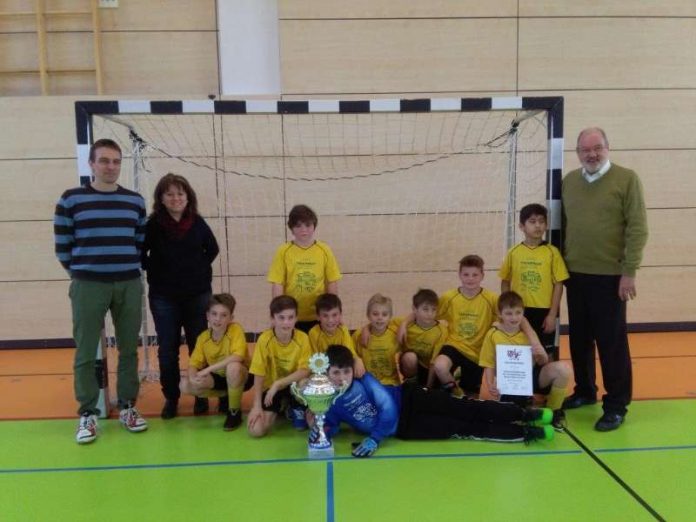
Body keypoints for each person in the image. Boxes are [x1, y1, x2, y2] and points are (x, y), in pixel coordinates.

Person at [54, 138, 147, 444]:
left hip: (128, 283)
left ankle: (128, 407)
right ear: (91, 164)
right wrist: (83, 273)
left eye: (116, 161)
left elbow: (139, 243)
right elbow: (63, 247)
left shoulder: (135, 202)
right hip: (88, 285)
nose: (111, 167)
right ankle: (88, 414)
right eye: (104, 161)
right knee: (85, 350)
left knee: (129, 348)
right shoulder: (70, 200)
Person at [317, 345, 554, 458]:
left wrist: (374, 439)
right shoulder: (329, 400)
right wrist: (321, 430)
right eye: (335, 373)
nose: (341, 378)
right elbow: (334, 423)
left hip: (410, 399)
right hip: (407, 429)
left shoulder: (363, 379)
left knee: (466, 407)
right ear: (327, 374)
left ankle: (524, 414)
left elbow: (386, 408)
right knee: (463, 429)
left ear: (352, 370)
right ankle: (524, 434)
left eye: (345, 372)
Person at [561, 127, 648, 431]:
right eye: (585, 150)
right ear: (578, 153)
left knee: (611, 343)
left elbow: (638, 228)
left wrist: (629, 271)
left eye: (597, 148)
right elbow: (565, 227)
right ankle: (585, 390)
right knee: (580, 339)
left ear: (607, 148)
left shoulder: (626, 180)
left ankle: (616, 405)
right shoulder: (569, 182)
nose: (592, 154)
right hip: (575, 274)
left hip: (611, 277)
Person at [142, 173, 219, 419]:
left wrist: (195, 270)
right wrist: (159, 271)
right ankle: (171, 398)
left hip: (197, 296)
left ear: (188, 197)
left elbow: (212, 249)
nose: (176, 198)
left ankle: (200, 395)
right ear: (161, 199)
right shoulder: (152, 225)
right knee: (167, 349)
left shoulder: (197, 223)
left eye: (180, 193)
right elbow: (142, 254)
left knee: (199, 346)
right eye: (170, 194)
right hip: (164, 298)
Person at [479, 291, 571, 429]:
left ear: (523, 313)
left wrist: (541, 354)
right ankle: (524, 405)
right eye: (509, 313)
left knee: (563, 369)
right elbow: (488, 363)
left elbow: (542, 363)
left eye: (518, 313)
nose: (514, 317)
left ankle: (552, 412)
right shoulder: (493, 335)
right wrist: (490, 384)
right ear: (500, 314)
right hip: (507, 381)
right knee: (510, 417)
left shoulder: (528, 335)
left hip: (529, 377)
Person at [499, 203, 569, 361]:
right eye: (532, 221)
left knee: (545, 353)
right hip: (520, 311)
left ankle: (545, 384)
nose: (537, 225)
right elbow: (505, 281)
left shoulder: (552, 252)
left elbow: (559, 285)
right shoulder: (514, 252)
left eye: (541, 221)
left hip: (544, 311)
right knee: (521, 351)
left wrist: (552, 314)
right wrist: (507, 309)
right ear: (521, 226)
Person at [179, 294, 251, 431]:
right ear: (207, 316)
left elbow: (238, 357)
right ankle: (226, 395)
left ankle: (234, 412)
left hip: (242, 374)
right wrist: (193, 376)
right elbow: (193, 364)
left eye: (224, 315)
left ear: (231, 318)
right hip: (218, 378)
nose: (218, 319)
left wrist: (207, 369)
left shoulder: (235, 330)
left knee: (233, 367)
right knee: (184, 384)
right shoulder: (203, 338)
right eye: (214, 314)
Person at [267, 204, 342, 333]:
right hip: (291, 317)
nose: (304, 230)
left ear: (314, 226)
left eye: (308, 225)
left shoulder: (324, 250)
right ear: (291, 228)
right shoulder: (283, 251)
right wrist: (276, 315)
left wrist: (334, 313)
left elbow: (332, 282)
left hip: (319, 316)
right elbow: (277, 284)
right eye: (298, 226)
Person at [247, 295, 311, 437]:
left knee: (305, 383)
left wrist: (279, 383)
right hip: (271, 390)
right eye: (281, 317)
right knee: (256, 431)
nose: (286, 322)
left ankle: (296, 406)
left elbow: (305, 371)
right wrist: (256, 406)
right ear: (272, 318)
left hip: (294, 385)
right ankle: (283, 407)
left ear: (296, 318)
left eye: (290, 317)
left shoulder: (303, 338)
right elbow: (258, 374)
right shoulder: (265, 340)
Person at [391, 289, 448, 387]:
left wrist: (428, 387)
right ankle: (411, 383)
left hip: (429, 369)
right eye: (425, 309)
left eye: (433, 309)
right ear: (414, 309)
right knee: (410, 357)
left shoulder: (441, 332)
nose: (430, 314)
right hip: (410, 366)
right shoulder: (404, 323)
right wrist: (366, 329)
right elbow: (380, 325)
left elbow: (433, 363)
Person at [352, 294, 401, 405]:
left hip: (391, 383)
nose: (380, 317)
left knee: (392, 408)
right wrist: (356, 359)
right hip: (367, 383)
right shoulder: (358, 335)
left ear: (390, 316)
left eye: (384, 314)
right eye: (375, 314)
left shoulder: (395, 333)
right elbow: (350, 350)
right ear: (368, 315)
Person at [307, 293, 366, 376]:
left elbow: (350, 353)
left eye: (334, 315)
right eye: (325, 316)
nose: (330, 320)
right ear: (318, 317)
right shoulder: (313, 333)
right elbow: (314, 361)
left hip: (342, 371)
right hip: (324, 375)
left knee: (366, 379)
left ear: (340, 315)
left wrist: (357, 360)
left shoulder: (343, 330)